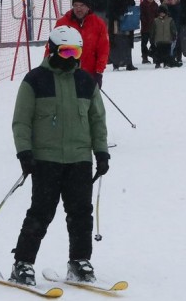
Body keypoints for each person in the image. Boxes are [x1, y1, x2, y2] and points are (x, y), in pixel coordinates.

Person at [7, 24, 110, 287]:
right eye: (65, 53)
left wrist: (101, 153)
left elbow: (97, 120)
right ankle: (23, 263)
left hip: (79, 159)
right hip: (46, 159)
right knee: (41, 213)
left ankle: (79, 261)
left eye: (76, 53)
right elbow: (21, 121)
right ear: (51, 51)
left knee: (81, 214)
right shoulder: (35, 80)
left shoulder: (85, 82)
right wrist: (24, 153)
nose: (72, 59)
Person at [54, 0, 110, 86]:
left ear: (88, 7)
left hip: (89, 75)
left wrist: (99, 72)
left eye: (82, 5)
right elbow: (52, 47)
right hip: (65, 75)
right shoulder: (62, 23)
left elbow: (103, 50)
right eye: (75, 5)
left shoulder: (99, 24)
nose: (78, 9)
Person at [106, 0, 138, 71]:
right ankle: (116, 64)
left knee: (127, 43)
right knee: (116, 43)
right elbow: (111, 9)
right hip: (116, 23)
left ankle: (129, 63)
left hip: (127, 24)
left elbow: (132, 5)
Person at [139, 0, 159, 67]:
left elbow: (157, 14)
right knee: (144, 43)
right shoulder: (143, 5)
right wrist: (145, 21)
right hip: (145, 28)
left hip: (153, 28)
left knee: (153, 43)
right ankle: (144, 57)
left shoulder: (155, 5)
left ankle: (154, 56)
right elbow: (141, 15)